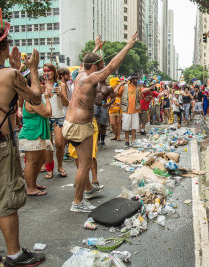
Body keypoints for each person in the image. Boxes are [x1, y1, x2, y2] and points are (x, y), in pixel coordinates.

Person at [0, 24, 45, 266]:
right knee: (7, 201)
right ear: (3, 46)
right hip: (0, 146)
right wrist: (33, 71)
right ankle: (15, 255)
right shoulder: (9, 75)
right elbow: (35, 98)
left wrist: (16, 69)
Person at [63, 32, 138, 212]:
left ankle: (88, 189)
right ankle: (77, 202)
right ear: (95, 66)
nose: (102, 68)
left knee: (85, 162)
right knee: (85, 164)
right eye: (100, 65)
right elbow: (110, 67)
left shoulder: (80, 73)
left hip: (74, 124)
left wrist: (96, 48)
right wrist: (127, 46)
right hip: (79, 126)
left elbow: (87, 60)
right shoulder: (89, 78)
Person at [19, 75, 52, 196]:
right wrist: (48, 99)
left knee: (41, 159)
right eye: (42, 83)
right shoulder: (33, 99)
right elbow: (47, 113)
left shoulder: (36, 98)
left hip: (38, 134)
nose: (44, 85)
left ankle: (33, 183)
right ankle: (30, 188)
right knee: (31, 162)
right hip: (31, 134)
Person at [43, 63, 69, 179]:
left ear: (54, 72)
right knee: (48, 146)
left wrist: (60, 95)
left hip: (58, 117)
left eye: (49, 71)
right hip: (45, 118)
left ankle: (60, 166)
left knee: (59, 144)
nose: (46, 73)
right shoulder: (41, 85)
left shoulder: (60, 85)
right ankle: (49, 169)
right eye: (45, 71)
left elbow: (66, 103)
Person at [117, 74, 142, 146]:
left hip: (135, 110)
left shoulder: (138, 88)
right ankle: (127, 140)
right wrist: (121, 83)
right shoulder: (125, 87)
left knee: (134, 127)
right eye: (136, 79)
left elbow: (141, 98)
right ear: (132, 79)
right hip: (126, 110)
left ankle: (133, 140)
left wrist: (140, 90)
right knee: (126, 127)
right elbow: (116, 92)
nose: (137, 80)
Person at [94, 80, 115, 148]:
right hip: (94, 105)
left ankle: (102, 141)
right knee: (94, 124)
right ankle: (96, 140)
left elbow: (113, 98)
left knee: (103, 125)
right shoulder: (94, 84)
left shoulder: (109, 87)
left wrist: (108, 104)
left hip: (103, 106)